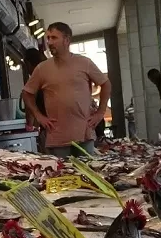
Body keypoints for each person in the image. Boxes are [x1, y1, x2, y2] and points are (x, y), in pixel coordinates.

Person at [21, 22, 112, 157]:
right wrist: (39, 117)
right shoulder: (42, 69)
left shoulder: (84, 63)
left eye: (54, 38)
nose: (50, 42)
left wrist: (100, 112)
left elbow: (106, 84)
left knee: (88, 169)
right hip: (57, 138)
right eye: (48, 38)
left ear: (67, 40)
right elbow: (27, 93)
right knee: (61, 170)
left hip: (84, 134)